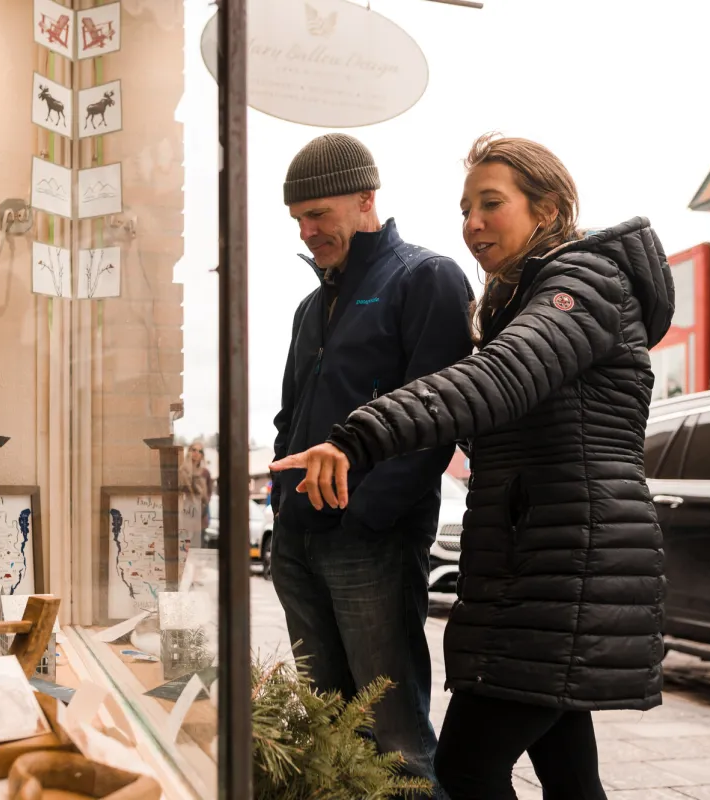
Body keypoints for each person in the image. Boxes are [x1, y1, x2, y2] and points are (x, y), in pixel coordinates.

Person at [271, 132, 673, 800]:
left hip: (568, 562)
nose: (472, 223)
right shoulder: (520, 298)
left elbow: (499, 377)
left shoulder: (585, 283)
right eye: (465, 208)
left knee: (464, 767)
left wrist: (358, 440)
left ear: (547, 207)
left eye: (491, 203)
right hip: (533, 564)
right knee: (570, 775)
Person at [271, 132, 475, 796]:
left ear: (366, 199)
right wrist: (285, 510)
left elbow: (437, 415)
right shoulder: (312, 306)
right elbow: (288, 419)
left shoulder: (426, 277)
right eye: (298, 219)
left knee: (396, 742)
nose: (307, 232)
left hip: (371, 544)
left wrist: (364, 516)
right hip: (299, 542)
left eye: (318, 215)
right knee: (328, 731)